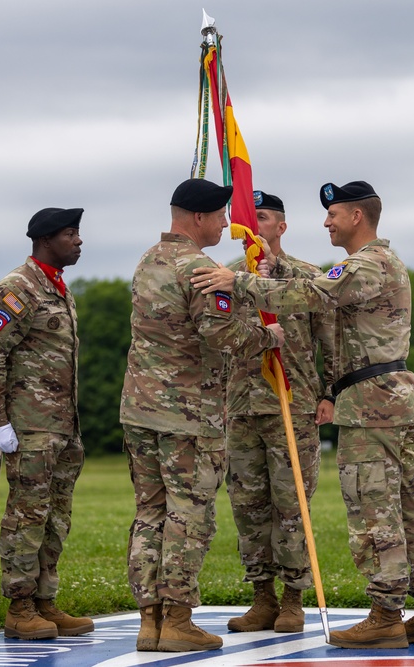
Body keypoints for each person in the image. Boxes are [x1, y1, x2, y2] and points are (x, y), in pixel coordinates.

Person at [192, 181, 414, 649]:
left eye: (333, 214)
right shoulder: (374, 263)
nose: (327, 222)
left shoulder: (366, 264)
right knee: (411, 505)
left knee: (374, 507)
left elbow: (311, 295)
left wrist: (242, 282)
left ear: (357, 216)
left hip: (372, 402)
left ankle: (386, 613)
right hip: (383, 397)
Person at [119, 178, 285, 653]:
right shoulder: (199, 268)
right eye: (219, 216)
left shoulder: (148, 260)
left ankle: (149, 622)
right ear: (198, 218)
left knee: (149, 514)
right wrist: (271, 339)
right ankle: (178, 619)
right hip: (188, 415)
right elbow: (222, 337)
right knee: (188, 515)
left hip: (140, 408)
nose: (225, 224)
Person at [0, 208, 93, 641]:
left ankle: (45, 600)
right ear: (44, 240)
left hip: (61, 427)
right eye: (70, 234)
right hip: (29, 427)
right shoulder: (19, 288)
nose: (78, 241)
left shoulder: (57, 289)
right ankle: (19, 606)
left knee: (55, 517)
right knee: (27, 516)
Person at [223, 190, 335, 634]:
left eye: (261, 217)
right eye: (245, 219)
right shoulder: (226, 278)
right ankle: (262, 598)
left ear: (281, 227)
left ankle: (293, 599)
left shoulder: (309, 277)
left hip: (294, 404)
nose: (251, 227)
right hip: (241, 405)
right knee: (248, 507)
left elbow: (330, 340)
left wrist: (330, 393)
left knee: (292, 505)